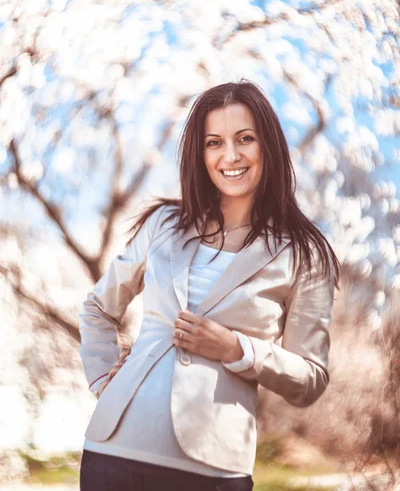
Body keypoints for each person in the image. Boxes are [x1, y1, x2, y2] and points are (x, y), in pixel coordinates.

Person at [78, 79, 341, 491]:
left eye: (245, 138)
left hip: (213, 469)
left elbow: (310, 379)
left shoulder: (305, 256)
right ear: (199, 155)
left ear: (268, 146)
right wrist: (103, 382)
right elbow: (98, 308)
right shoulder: (163, 224)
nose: (230, 155)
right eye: (214, 143)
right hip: (112, 453)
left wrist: (238, 350)